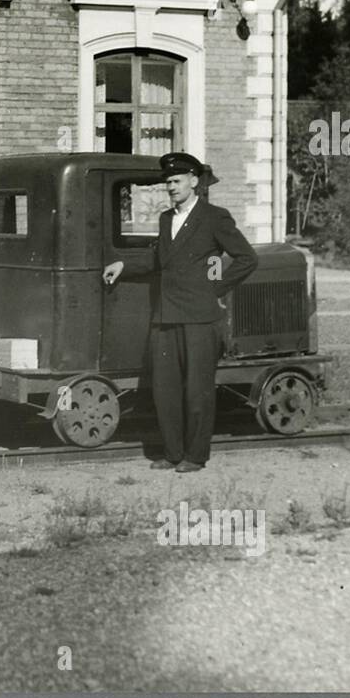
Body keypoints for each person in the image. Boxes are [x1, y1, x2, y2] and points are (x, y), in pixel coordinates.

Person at [103, 152, 258, 472]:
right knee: (165, 391)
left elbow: (247, 258)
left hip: (200, 319)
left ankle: (195, 456)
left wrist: (214, 289)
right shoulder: (165, 219)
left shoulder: (215, 217)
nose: (171, 187)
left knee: (197, 391)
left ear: (194, 181)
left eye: (176, 181)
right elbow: (160, 260)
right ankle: (173, 453)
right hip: (165, 318)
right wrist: (124, 265)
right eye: (167, 182)